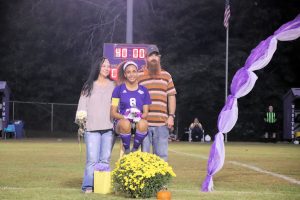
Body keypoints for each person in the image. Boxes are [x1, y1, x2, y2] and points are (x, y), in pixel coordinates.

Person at [75, 57, 115, 193]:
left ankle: (101, 186)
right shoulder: (88, 86)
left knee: (105, 159)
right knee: (92, 159)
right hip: (91, 129)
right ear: (98, 67)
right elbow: (81, 107)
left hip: (108, 128)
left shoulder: (113, 85)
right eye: (104, 66)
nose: (107, 68)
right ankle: (88, 186)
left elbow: (116, 106)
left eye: (108, 66)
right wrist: (81, 123)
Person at [138, 45, 177, 161]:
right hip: (144, 123)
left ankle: (160, 180)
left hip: (162, 124)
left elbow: (171, 97)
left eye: (156, 55)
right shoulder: (139, 76)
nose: (153, 58)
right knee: (144, 158)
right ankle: (145, 179)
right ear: (146, 58)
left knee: (161, 157)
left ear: (159, 58)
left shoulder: (166, 75)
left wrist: (171, 116)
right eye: (151, 55)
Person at [111, 61, 151, 154]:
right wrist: (126, 117)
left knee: (144, 123)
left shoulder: (144, 90)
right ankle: (127, 150)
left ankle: (135, 149)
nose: (131, 74)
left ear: (137, 73)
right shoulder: (117, 89)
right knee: (125, 123)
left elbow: (145, 113)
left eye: (134, 71)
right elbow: (113, 112)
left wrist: (137, 117)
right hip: (121, 122)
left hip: (137, 121)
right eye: (128, 72)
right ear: (125, 74)